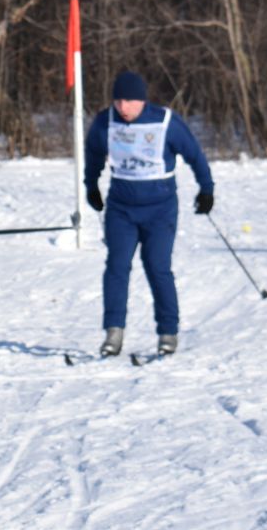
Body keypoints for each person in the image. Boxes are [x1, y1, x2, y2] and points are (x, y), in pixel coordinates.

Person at [82, 70, 214, 359]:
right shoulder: (106, 121)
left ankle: (168, 332)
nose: (123, 107)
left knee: (157, 267)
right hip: (121, 208)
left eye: (129, 101)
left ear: (142, 100)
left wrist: (206, 189)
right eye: (118, 101)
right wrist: (91, 185)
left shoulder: (165, 121)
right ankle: (113, 332)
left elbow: (194, 154)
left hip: (160, 209)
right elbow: (93, 154)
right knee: (116, 267)